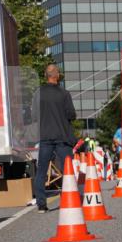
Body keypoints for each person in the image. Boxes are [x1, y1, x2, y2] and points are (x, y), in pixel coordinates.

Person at [31, 64, 76, 215]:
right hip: (62, 137)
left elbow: (34, 115)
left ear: (45, 76)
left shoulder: (38, 93)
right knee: (67, 170)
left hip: (45, 137)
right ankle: (70, 199)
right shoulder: (64, 93)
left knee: (41, 171)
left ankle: (41, 205)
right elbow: (71, 115)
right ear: (57, 76)